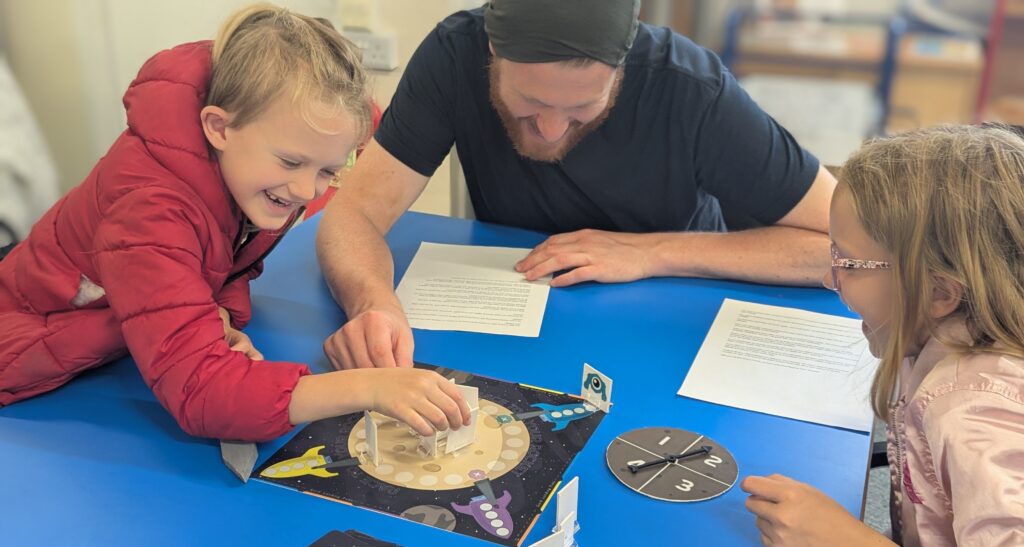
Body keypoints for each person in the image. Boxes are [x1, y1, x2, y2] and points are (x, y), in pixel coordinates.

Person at [0, 4, 470, 442]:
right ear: (219, 127)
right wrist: (370, 387)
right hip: (25, 357)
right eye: (291, 162)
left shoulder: (257, 170)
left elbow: (219, 255)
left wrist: (217, 313)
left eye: (328, 171)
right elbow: (202, 394)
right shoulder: (148, 210)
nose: (308, 191)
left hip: (113, 342)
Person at [315, 0, 836, 370]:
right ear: (492, 49)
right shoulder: (453, 56)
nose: (550, 131)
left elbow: (852, 252)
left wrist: (650, 253)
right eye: (530, 104)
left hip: (670, 318)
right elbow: (352, 214)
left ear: (622, 65)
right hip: (515, 316)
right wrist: (371, 302)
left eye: (583, 109)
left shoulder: (693, 90)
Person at [741, 124, 1024, 547]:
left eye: (848, 263)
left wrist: (847, 546)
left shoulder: (976, 414)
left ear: (939, 293)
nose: (828, 279)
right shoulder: (942, 338)